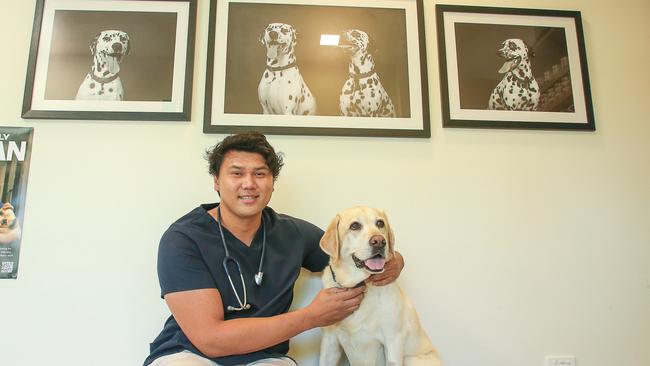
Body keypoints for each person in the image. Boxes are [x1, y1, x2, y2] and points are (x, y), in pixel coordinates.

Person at [144, 132, 404, 366]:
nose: (249, 183)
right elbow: (210, 339)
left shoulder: (292, 233)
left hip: (264, 358)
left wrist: (394, 260)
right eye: (236, 173)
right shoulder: (183, 239)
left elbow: (347, 252)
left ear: (272, 182)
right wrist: (311, 317)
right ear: (216, 181)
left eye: (260, 174)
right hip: (189, 354)